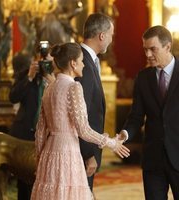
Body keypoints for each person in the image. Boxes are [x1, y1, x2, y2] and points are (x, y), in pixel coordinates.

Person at [31, 42, 130, 200]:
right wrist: (112, 143)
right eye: (82, 60)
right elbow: (83, 130)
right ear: (73, 63)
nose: (83, 65)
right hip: (68, 152)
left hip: (49, 153)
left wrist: (40, 159)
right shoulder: (74, 87)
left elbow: (41, 131)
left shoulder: (49, 88)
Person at [118, 25, 179, 200]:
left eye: (153, 49)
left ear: (167, 47)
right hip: (153, 159)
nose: (148, 55)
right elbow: (136, 116)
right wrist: (125, 133)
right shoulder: (143, 77)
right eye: (145, 50)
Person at [75, 13, 114, 191]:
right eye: (111, 35)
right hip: (83, 153)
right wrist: (89, 153)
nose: (111, 40)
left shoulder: (87, 60)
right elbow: (83, 113)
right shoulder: (84, 63)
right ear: (102, 36)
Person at [9, 52, 44, 200]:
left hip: (44, 134)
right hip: (24, 132)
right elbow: (13, 97)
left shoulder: (56, 77)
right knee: (24, 180)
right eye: (39, 58)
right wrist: (30, 77)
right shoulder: (26, 75)